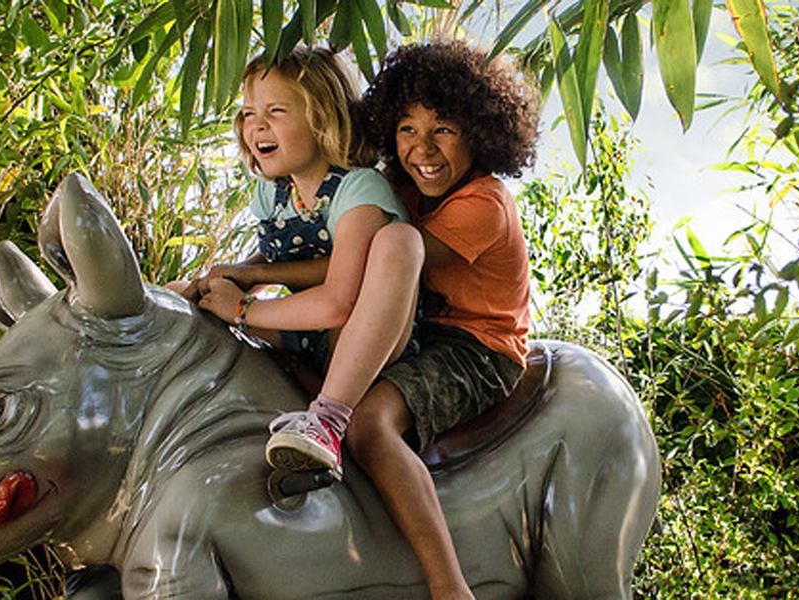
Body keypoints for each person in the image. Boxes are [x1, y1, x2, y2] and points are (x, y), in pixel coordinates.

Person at [345, 40, 540, 600]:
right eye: (407, 129)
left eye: (444, 130)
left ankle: (450, 588)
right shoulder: (404, 192)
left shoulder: (485, 203)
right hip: (424, 330)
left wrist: (252, 276)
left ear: (481, 131)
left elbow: (376, 262)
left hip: (477, 348)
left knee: (369, 425)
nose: (422, 148)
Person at [174, 46, 424, 481]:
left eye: (276, 111)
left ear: (323, 117)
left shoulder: (359, 189)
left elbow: (337, 302)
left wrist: (242, 309)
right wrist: (215, 285)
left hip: (364, 339)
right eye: (249, 113)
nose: (257, 126)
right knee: (181, 303)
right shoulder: (274, 194)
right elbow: (279, 265)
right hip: (307, 335)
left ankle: (328, 420)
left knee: (400, 241)